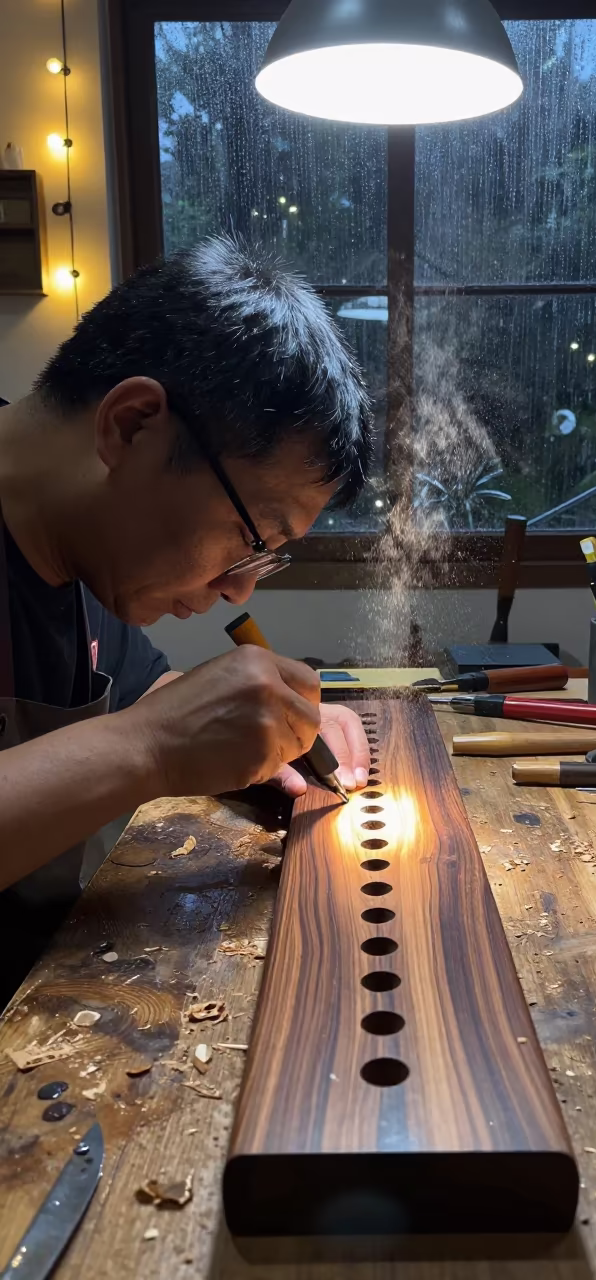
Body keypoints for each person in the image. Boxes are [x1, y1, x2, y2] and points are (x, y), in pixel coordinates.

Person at [0, 233, 373, 1002]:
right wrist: (154, 747)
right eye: (251, 536)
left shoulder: (84, 556)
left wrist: (254, 739)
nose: (238, 592)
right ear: (132, 426)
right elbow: (144, 731)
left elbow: (144, 692)